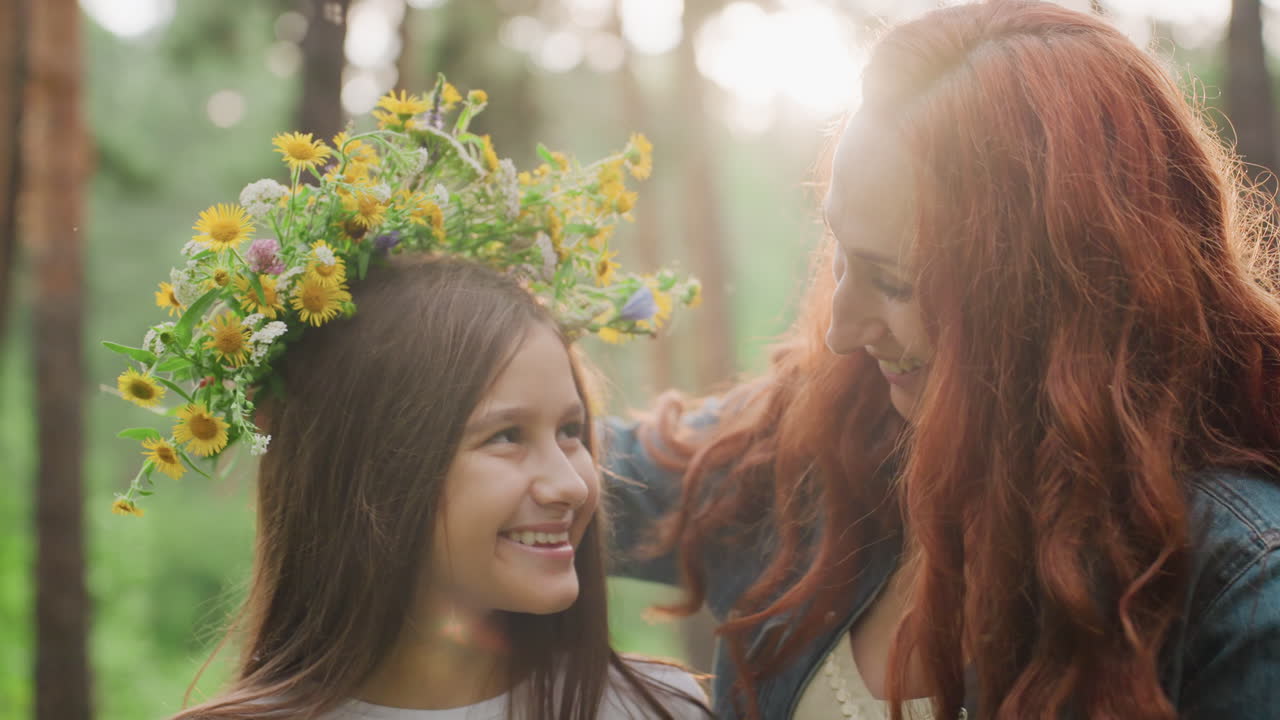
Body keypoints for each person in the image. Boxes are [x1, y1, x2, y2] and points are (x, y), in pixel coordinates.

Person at [605, 1, 1280, 719]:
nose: (841, 329)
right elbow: (586, 483)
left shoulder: (1235, 588)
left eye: (897, 283)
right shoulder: (821, 439)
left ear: (1051, 296)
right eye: (841, 253)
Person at [102, 80, 705, 719]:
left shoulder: (665, 709)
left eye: (572, 431)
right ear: (377, 467)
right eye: (506, 436)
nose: (573, 485)